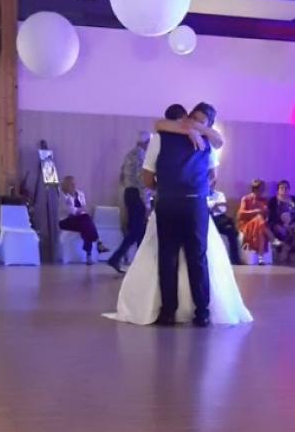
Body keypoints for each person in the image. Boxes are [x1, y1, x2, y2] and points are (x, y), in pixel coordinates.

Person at [103, 102, 252, 327]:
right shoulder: (207, 142)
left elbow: (147, 178)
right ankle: (202, 313)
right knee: (197, 258)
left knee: (168, 256)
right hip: (195, 203)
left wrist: (164, 187)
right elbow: (213, 176)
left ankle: (168, 312)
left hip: (168, 201)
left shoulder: (160, 139)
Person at [107, 131, 151, 275]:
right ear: (146, 142)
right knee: (136, 230)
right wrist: (147, 204)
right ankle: (116, 257)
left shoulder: (129, 155)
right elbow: (142, 182)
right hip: (137, 195)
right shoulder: (142, 157)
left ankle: (142, 263)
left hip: (128, 193)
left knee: (140, 230)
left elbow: (121, 176)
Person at [58, 176, 108, 264]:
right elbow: (72, 211)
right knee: (86, 220)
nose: (73, 186)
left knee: (86, 225)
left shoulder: (80, 194)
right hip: (65, 221)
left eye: (74, 184)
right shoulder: (63, 196)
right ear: (66, 185)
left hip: (79, 220)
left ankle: (89, 256)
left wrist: (80, 210)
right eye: (70, 184)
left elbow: (84, 208)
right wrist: (80, 210)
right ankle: (98, 243)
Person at [267, 180, 295, 265]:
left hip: (293, 224)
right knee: (283, 232)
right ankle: (283, 251)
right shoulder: (273, 200)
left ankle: (292, 251)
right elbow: (271, 216)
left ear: (289, 189)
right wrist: (282, 225)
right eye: (282, 188)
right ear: (278, 190)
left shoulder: (294, 199)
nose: (284, 190)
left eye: (286, 188)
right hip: (278, 225)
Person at [237, 180, 272, 266]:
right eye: (260, 189)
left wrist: (266, 215)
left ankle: (260, 258)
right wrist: (255, 211)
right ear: (254, 189)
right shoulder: (246, 199)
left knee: (260, 225)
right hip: (247, 224)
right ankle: (272, 238)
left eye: (263, 190)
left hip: (260, 225)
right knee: (259, 219)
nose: (262, 192)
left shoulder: (264, 200)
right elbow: (241, 214)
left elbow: (267, 215)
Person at [208, 183, 242, 266]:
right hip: (207, 219)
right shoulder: (202, 194)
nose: (210, 185)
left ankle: (235, 259)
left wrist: (213, 205)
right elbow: (206, 206)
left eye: (212, 184)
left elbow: (222, 209)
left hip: (219, 219)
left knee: (232, 231)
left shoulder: (220, 194)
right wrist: (215, 205)